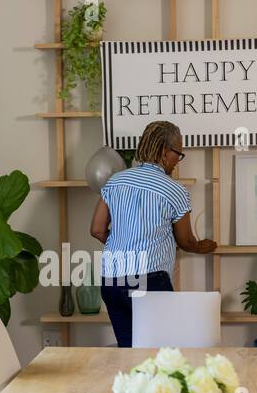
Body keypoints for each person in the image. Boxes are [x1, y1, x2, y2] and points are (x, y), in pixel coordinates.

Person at [90, 120, 216, 347]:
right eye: (179, 153)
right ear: (165, 152)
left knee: (129, 352)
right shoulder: (174, 190)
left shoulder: (115, 181)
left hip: (112, 280)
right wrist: (201, 246)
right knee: (160, 356)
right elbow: (185, 241)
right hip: (149, 282)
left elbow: (97, 229)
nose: (179, 160)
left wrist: (124, 245)